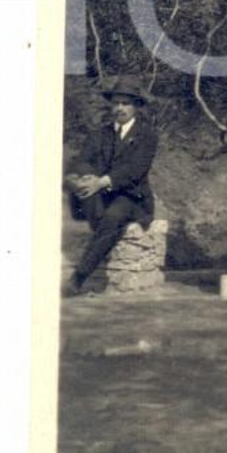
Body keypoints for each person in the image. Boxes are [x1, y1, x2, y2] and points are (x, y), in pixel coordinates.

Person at [65, 75, 158, 294]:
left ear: (136, 106)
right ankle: (104, 234)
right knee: (87, 194)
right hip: (103, 195)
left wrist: (101, 182)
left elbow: (134, 170)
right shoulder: (100, 134)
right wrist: (79, 178)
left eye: (126, 103)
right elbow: (81, 161)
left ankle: (78, 277)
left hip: (133, 197)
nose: (120, 108)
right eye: (116, 103)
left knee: (113, 217)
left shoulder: (147, 136)